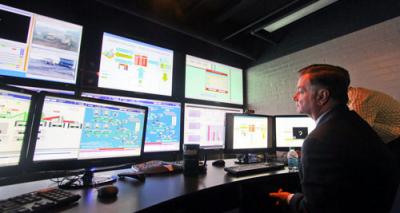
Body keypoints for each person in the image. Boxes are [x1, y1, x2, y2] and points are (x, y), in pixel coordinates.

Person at [269, 64, 399, 213]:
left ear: (322, 96)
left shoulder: (318, 141)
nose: (294, 97)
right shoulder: (355, 122)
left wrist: (289, 198)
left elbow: (313, 209)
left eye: (300, 91)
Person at [348, 87, 400, 167]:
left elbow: (356, 135)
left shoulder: (360, 100)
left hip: (395, 142)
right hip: (390, 142)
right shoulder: (356, 95)